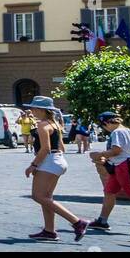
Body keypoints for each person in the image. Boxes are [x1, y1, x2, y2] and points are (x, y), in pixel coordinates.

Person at [22, 96, 88, 242]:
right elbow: (61, 146)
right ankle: (49, 231)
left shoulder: (42, 125)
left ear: (41, 109)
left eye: (33, 108)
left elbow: (45, 148)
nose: (31, 110)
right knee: (46, 198)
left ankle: (77, 222)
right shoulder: (55, 123)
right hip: (58, 160)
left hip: (49, 160)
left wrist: (33, 165)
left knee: (38, 196)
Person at [89, 111, 130, 234]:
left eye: (103, 126)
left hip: (123, 166)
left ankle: (102, 221)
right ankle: (102, 221)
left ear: (106, 123)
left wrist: (99, 154)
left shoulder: (117, 133)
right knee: (109, 192)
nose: (105, 129)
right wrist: (128, 155)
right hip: (122, 165)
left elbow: (116, 150)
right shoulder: (128, 131)